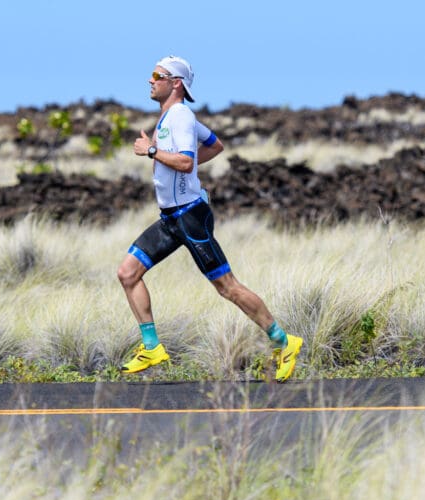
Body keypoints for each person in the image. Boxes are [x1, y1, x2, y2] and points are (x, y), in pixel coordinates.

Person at [118, 55, 303, 382]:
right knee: (128, 273)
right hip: (170, 220)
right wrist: (164, 161)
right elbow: (215, 145)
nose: (150, 80)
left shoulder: (180, 117)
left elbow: (187, 163)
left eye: (156, 74)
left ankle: (284, 342)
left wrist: (151, 152)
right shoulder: (170, 117)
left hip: (191, 217)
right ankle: (152, 348)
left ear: (175, 83)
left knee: (228, 288)